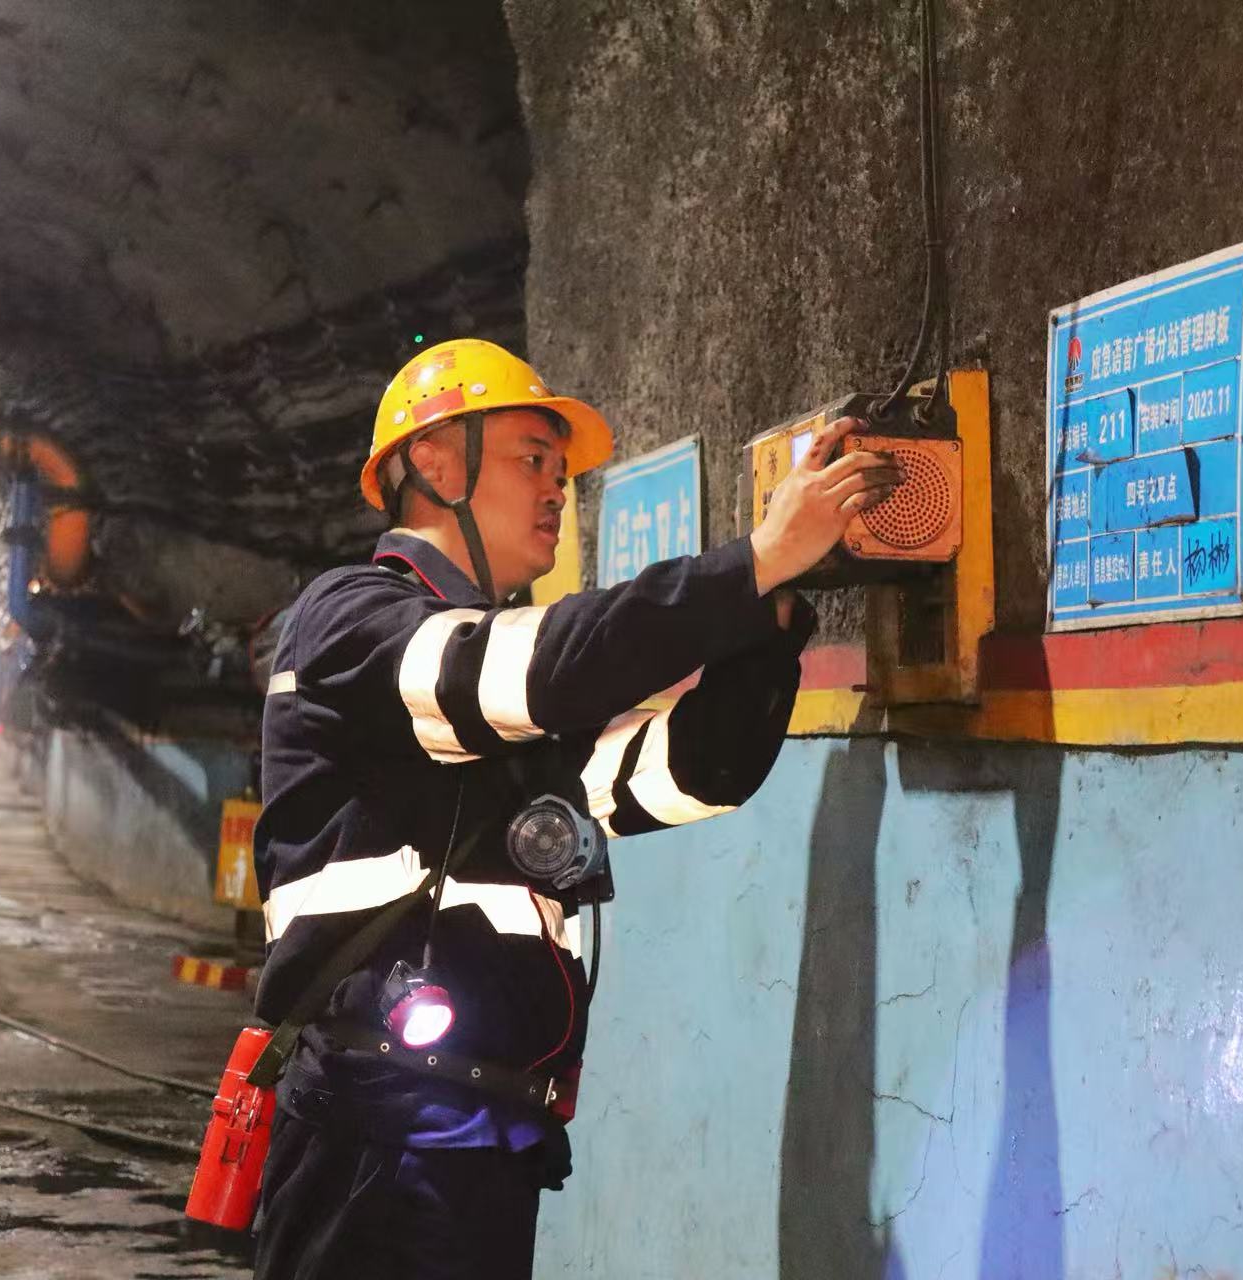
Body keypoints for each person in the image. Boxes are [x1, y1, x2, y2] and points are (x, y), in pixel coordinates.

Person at [250, 338, 901, 1279]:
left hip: (483, 1133)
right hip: (378, 1125)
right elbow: (532, 669)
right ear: (433, 462)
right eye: (530, 461)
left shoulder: (503, 720)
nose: (558, 489)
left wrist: (778, 607)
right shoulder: (353, 618)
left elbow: (688, 773)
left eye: (562, 472)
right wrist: (753, 559)